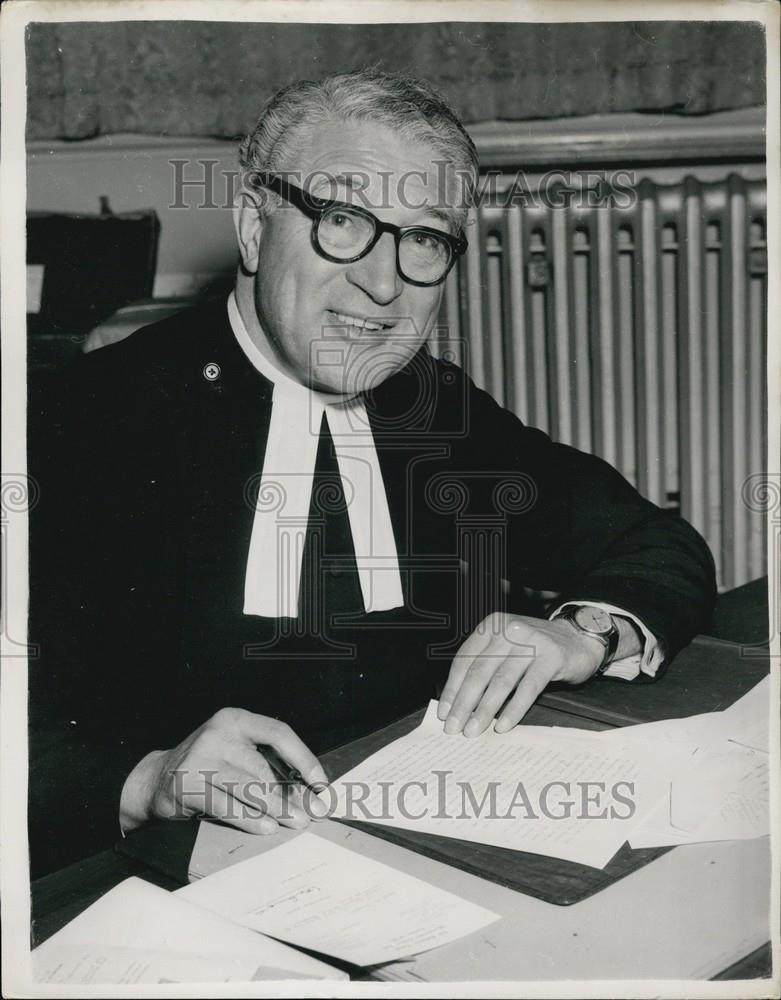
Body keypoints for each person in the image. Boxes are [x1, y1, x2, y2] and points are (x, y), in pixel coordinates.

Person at [28, 69, 716, 873]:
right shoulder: (78, 422)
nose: (384, 284)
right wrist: (147, 780)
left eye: (423, 239)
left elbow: (653, 541)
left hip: (435, 846)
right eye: (344, 220)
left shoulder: (431, 405)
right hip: (151, 883)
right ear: (254, 225)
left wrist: (580, 632)